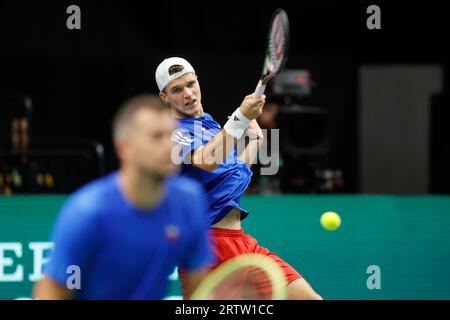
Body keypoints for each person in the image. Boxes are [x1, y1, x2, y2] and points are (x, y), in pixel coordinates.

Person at [155, 57, 322, 300]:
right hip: (209, 247)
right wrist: (240, 118)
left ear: (198, 81)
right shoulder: (170, 131)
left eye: (191, 84)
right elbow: (207, 160)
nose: (188, 94)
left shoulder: (209, 125)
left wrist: (254, 141)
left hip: (243, 244)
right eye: (177, 90)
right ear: (164, 97)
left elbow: (232, 178)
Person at [33, 94, 213, 299]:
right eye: (156, 137)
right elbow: (52, 293)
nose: (170, 146)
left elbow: (200, 292)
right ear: (124, 148)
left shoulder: (189, 200)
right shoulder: (87, 212)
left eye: (172, 135)